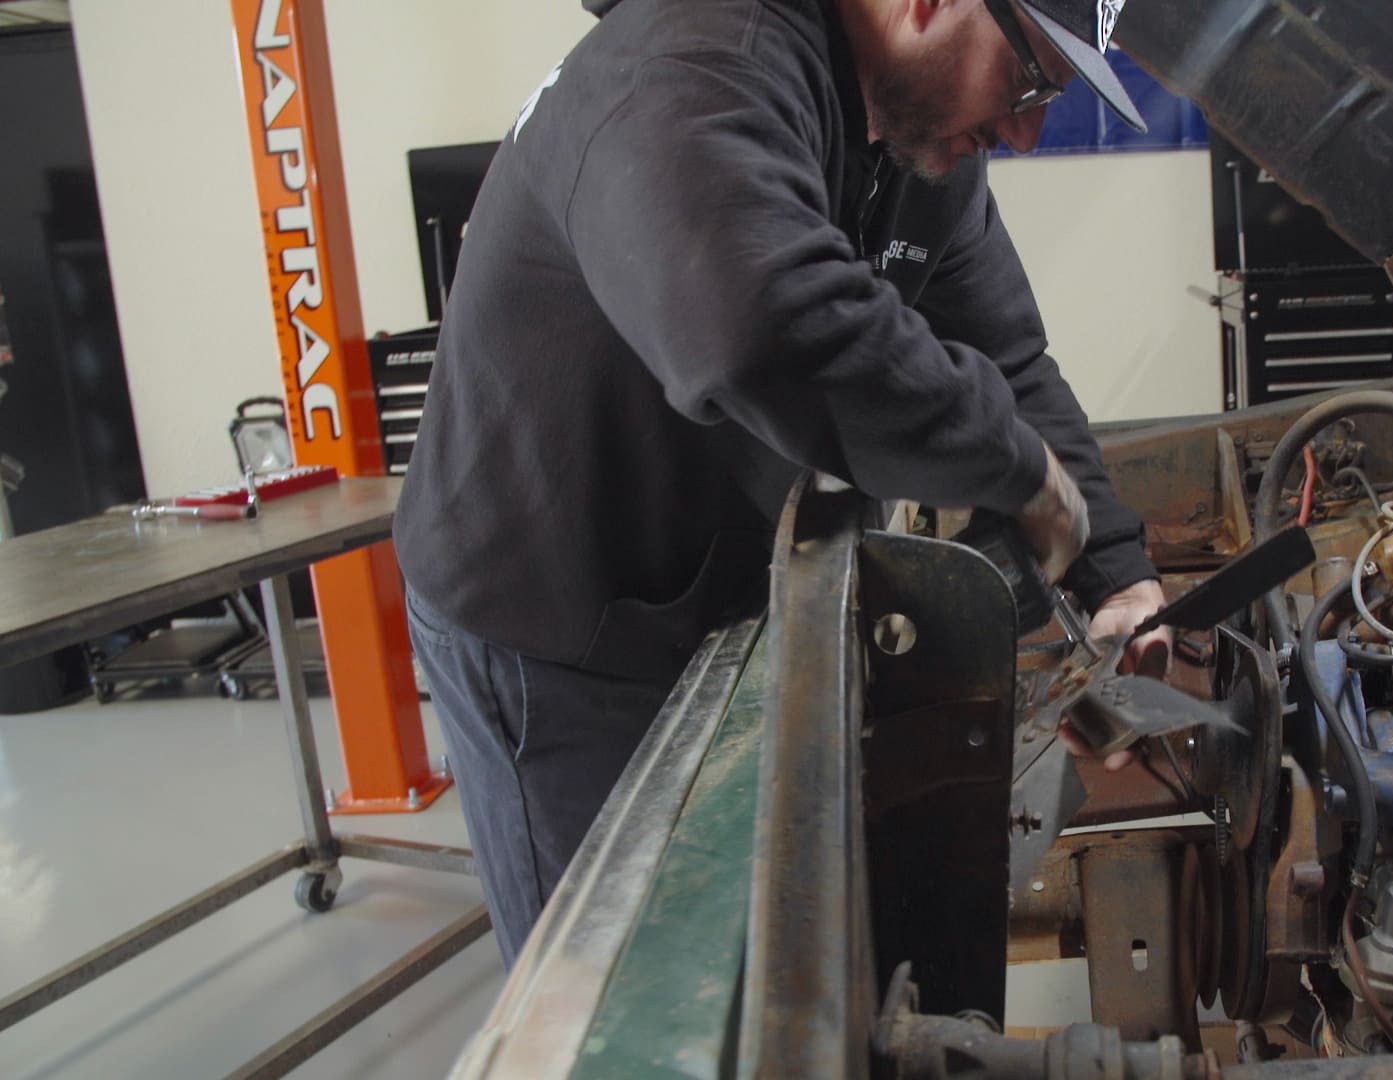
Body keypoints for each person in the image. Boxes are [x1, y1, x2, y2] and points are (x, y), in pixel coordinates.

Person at [394, 0, 1170, 966]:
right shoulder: (698, 50)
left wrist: (1114, 576)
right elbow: (753, 325)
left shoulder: (923, 152)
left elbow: (1008, 356)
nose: (1024, 129)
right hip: (552, 616)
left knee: (743, 949)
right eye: (1029, 79)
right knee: (613, 993)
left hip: (714, 583)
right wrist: (1012, 466)